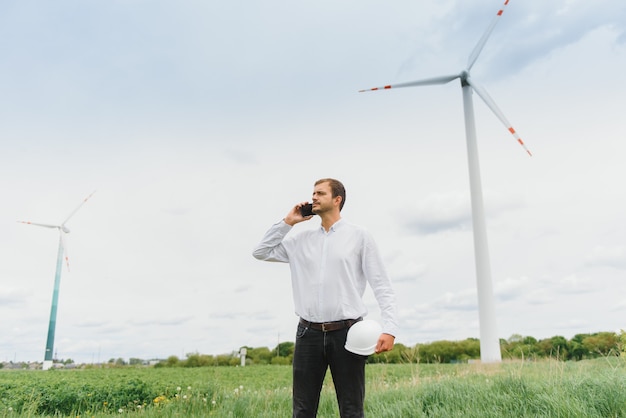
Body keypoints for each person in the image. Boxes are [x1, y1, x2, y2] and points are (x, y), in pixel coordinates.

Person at [252, 178, 398, 418]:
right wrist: (288, 222)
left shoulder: (359, 236)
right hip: (307, 334)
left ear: (337, 199)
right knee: (302, 410)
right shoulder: (299, 241)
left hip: (348, 333)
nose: (313, 198)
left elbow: (381, 284)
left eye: (320, 193)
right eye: (313, 193)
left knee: (351, 409)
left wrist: (390, 328)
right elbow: (261, 252)